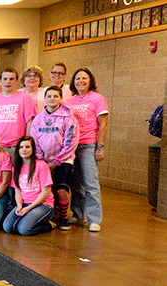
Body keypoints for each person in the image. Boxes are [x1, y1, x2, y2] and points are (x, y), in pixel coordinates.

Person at [29, 86, 78, 230]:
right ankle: (47, 216)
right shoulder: (38, 119)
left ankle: (63, 218)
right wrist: (41, 161)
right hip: (43, 161)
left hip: (63, 160)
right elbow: (34, 140)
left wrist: (56, 162)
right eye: (49, 96)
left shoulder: (69, 117)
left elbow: (71, 141)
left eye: (55, 96)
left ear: (61, 99)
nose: (52, 99)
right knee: (45, 191)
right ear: (45, 99)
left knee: (61, 190)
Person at [66, 68, 108, 232]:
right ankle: (78, 215)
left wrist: (100, 147)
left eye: (84, 78)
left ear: (90, 80)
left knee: (90, 183)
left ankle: (95, 219)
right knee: (76, 184)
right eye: (77, 78)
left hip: (89, 145)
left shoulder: (98, 99)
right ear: (73, 82)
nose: (80, 81)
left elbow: (103, 124)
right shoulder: (71, 101)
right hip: (73, 146)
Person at [2, 137, 54, 236]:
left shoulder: (41, 165)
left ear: (33, 149)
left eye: (27, 147)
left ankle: (48, 225)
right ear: (18, 150)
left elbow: (45, 192)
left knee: (23, 230)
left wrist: (29, 208)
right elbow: (17, 191)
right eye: (21, 147)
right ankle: (31, 220)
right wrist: (20, 206)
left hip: (42, 205)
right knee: (8, 227)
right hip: (24, 204)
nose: (24, 149)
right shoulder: (16, 168)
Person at [0, 68, 37, 150]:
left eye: (11, 79)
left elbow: (30, 123)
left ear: (16, 81)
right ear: (0, 81)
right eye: (5, 79)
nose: (8, 82)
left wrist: (26, 143)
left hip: (17, 146)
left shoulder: (25, 98)